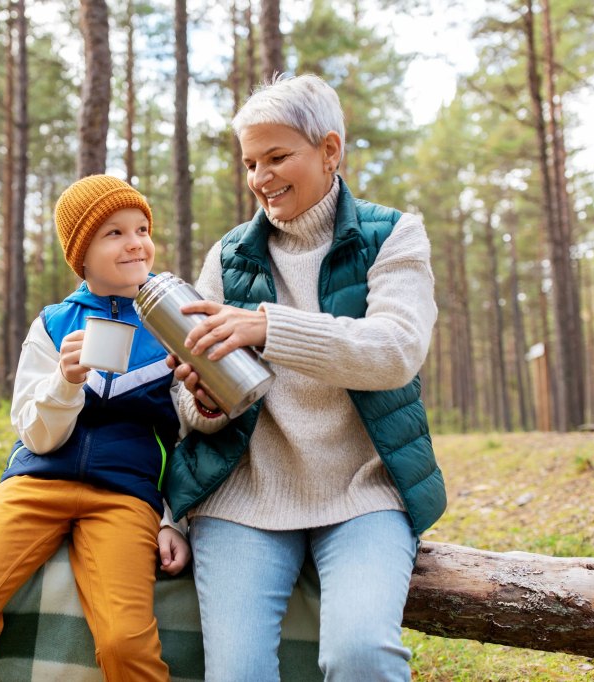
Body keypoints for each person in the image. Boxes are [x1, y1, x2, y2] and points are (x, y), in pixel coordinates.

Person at [166, 74, 447, 681]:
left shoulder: (392, 236)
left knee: (361, 656)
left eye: (276, 157)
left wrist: (269, 328)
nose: (260, 178)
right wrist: (204, 397)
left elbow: (395, 350)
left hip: (363, 492)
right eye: (249, 163)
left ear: (329, 150)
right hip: (243, 494)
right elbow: (192, 409)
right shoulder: (229, 255)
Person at [0, 174, 190, 682]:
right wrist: (66, 383)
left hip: (127, 496)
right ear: (81, 254)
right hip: (35, 485)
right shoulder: (53, 323)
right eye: (114, 233)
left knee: (123, 643)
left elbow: (185, 436)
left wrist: (175, 519)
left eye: (142, 229)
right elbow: (35, 435)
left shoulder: (173, 322)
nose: (136, 243)